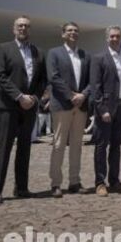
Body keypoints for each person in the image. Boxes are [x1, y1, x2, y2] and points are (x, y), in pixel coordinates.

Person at [0, 16, 46, 204]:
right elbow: (0, 76)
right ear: (14, 29)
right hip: (8, 107)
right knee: (4, 148)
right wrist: (19, 96)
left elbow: (42, 79)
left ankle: (21, 188)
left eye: (26, 26)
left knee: (25, 148)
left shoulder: (38, 52)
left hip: (29, 107)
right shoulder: (4, 49)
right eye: (20, 26)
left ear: (30, 30)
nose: (23, 28)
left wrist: (34, 98)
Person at [46, 22, 91, 198]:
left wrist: (84, 95)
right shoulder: (54, 53)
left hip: (80, 106)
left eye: (76, 31)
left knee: (77, 145)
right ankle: (55, 183)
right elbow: (53, 77)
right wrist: (71, 95)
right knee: (58, 145)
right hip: (62, 105)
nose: (73, 33)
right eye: (69, 30)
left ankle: (74, 181)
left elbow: (91, 80)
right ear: (63, 34)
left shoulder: (85, 55)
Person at [90, 25, 121, 197]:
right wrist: (102, 109)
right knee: (102, 146)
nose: (115, 39)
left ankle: (114, 181)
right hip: (106, 109)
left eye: (118, 36)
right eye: (112, 36)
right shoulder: (99, 58)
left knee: (116, 146)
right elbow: (96, 87)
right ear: (107, 38)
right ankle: (100, 182)